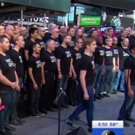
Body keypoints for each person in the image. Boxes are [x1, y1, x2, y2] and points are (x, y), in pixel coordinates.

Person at [66, 37, 97, 133]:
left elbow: (90, 73)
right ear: (87, 46)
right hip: (86, 86)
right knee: (90, 107)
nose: (95, 46)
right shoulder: (85, 59)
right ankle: (91, 126)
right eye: (93, 45)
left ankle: (70, 119)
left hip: (89, 85)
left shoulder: (90, 58)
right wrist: (85, 92)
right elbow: (82, 77)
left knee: (84, 105)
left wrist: (92, 87)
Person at [0, 35, 20, 135]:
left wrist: (16, 82)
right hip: (4, 89)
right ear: (0, 44)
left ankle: (6, 124)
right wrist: (10, 83)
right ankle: (2, 127)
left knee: (10, 106)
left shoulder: (7, 55)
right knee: (3, 109)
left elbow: (13, 69)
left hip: (12, 87)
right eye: (6, 42)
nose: (9, 44)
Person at [8, 35, 25, 126]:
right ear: (17, 42)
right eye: (22, 40)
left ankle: (15, 116)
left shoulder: (19, 53)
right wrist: (17, 81)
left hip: (20, 78)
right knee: (13, 99)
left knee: (16, 99)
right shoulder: (13, 53)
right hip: (16, 79)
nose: (23, 42)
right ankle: (12, 118)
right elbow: (13, 69)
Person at [118, 44, 135, 127]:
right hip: (131, 84)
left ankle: (128, 115)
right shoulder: (129, 60)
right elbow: (127, 76)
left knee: (132, 102)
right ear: (133, 50)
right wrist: (129, 89)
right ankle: (121, 118)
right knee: (128, 102)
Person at [40, 39, 57, 114]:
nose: (55, 46)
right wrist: (43, 78)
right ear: (49, 45)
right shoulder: (44, 54)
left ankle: (49, 105)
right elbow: (42, 66)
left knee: (50, 91)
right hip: (46, 74)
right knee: (45, 91)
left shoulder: (52, 53)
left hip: (51, 73)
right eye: (53, 44)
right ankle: (43, 107)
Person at [55, 35, 72, 108]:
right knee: (59, 88)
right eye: (69, 38)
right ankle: (57, 103)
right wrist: (59, 72)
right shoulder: (59, 49)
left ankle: (62, 102)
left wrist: (70, 70)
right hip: (61, 71)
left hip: (67, 71)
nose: (70, 40)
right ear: (64, 39)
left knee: (64, 88)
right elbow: (58, 61)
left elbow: (70, 60)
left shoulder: (68, 49)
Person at [28, 43, 43, 117]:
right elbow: (30, 72)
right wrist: (34, 82)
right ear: (34, 49)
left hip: (39, 79)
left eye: (40, 47)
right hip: (33, 81)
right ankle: (32, 111)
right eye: (38, 47)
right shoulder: (31, 59)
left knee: (38, 96)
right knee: (33, 97)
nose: (40, 49)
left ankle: (37, 110)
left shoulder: (38, 58)